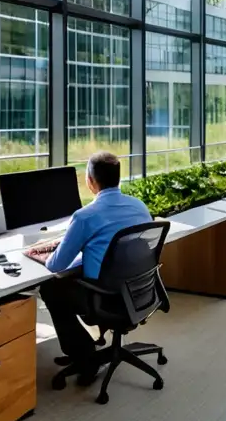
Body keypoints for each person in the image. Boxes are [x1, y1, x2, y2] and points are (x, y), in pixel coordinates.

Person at [30, 151, 151, 382]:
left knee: (51, 289)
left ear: (89, 181)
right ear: (118, 178)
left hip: (106, 298)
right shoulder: (139, 206)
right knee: (71, 279)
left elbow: (57, 265)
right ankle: (86, 347)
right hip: (138, 292)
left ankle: (84, 357)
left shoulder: (85, 216)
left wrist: (38, 252)